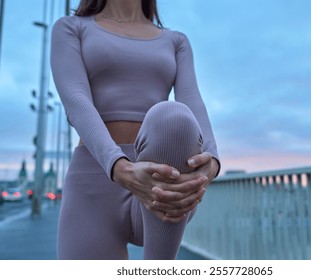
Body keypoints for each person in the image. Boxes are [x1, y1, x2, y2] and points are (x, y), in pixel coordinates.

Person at [50, 0, 220, 260]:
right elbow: (76, 100)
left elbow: (192, 100)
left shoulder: (176, 41)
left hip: (161, 175)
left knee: (172, 116)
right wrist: (120, 167)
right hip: (95, 179)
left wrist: (213, 162)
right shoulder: (72, 28)